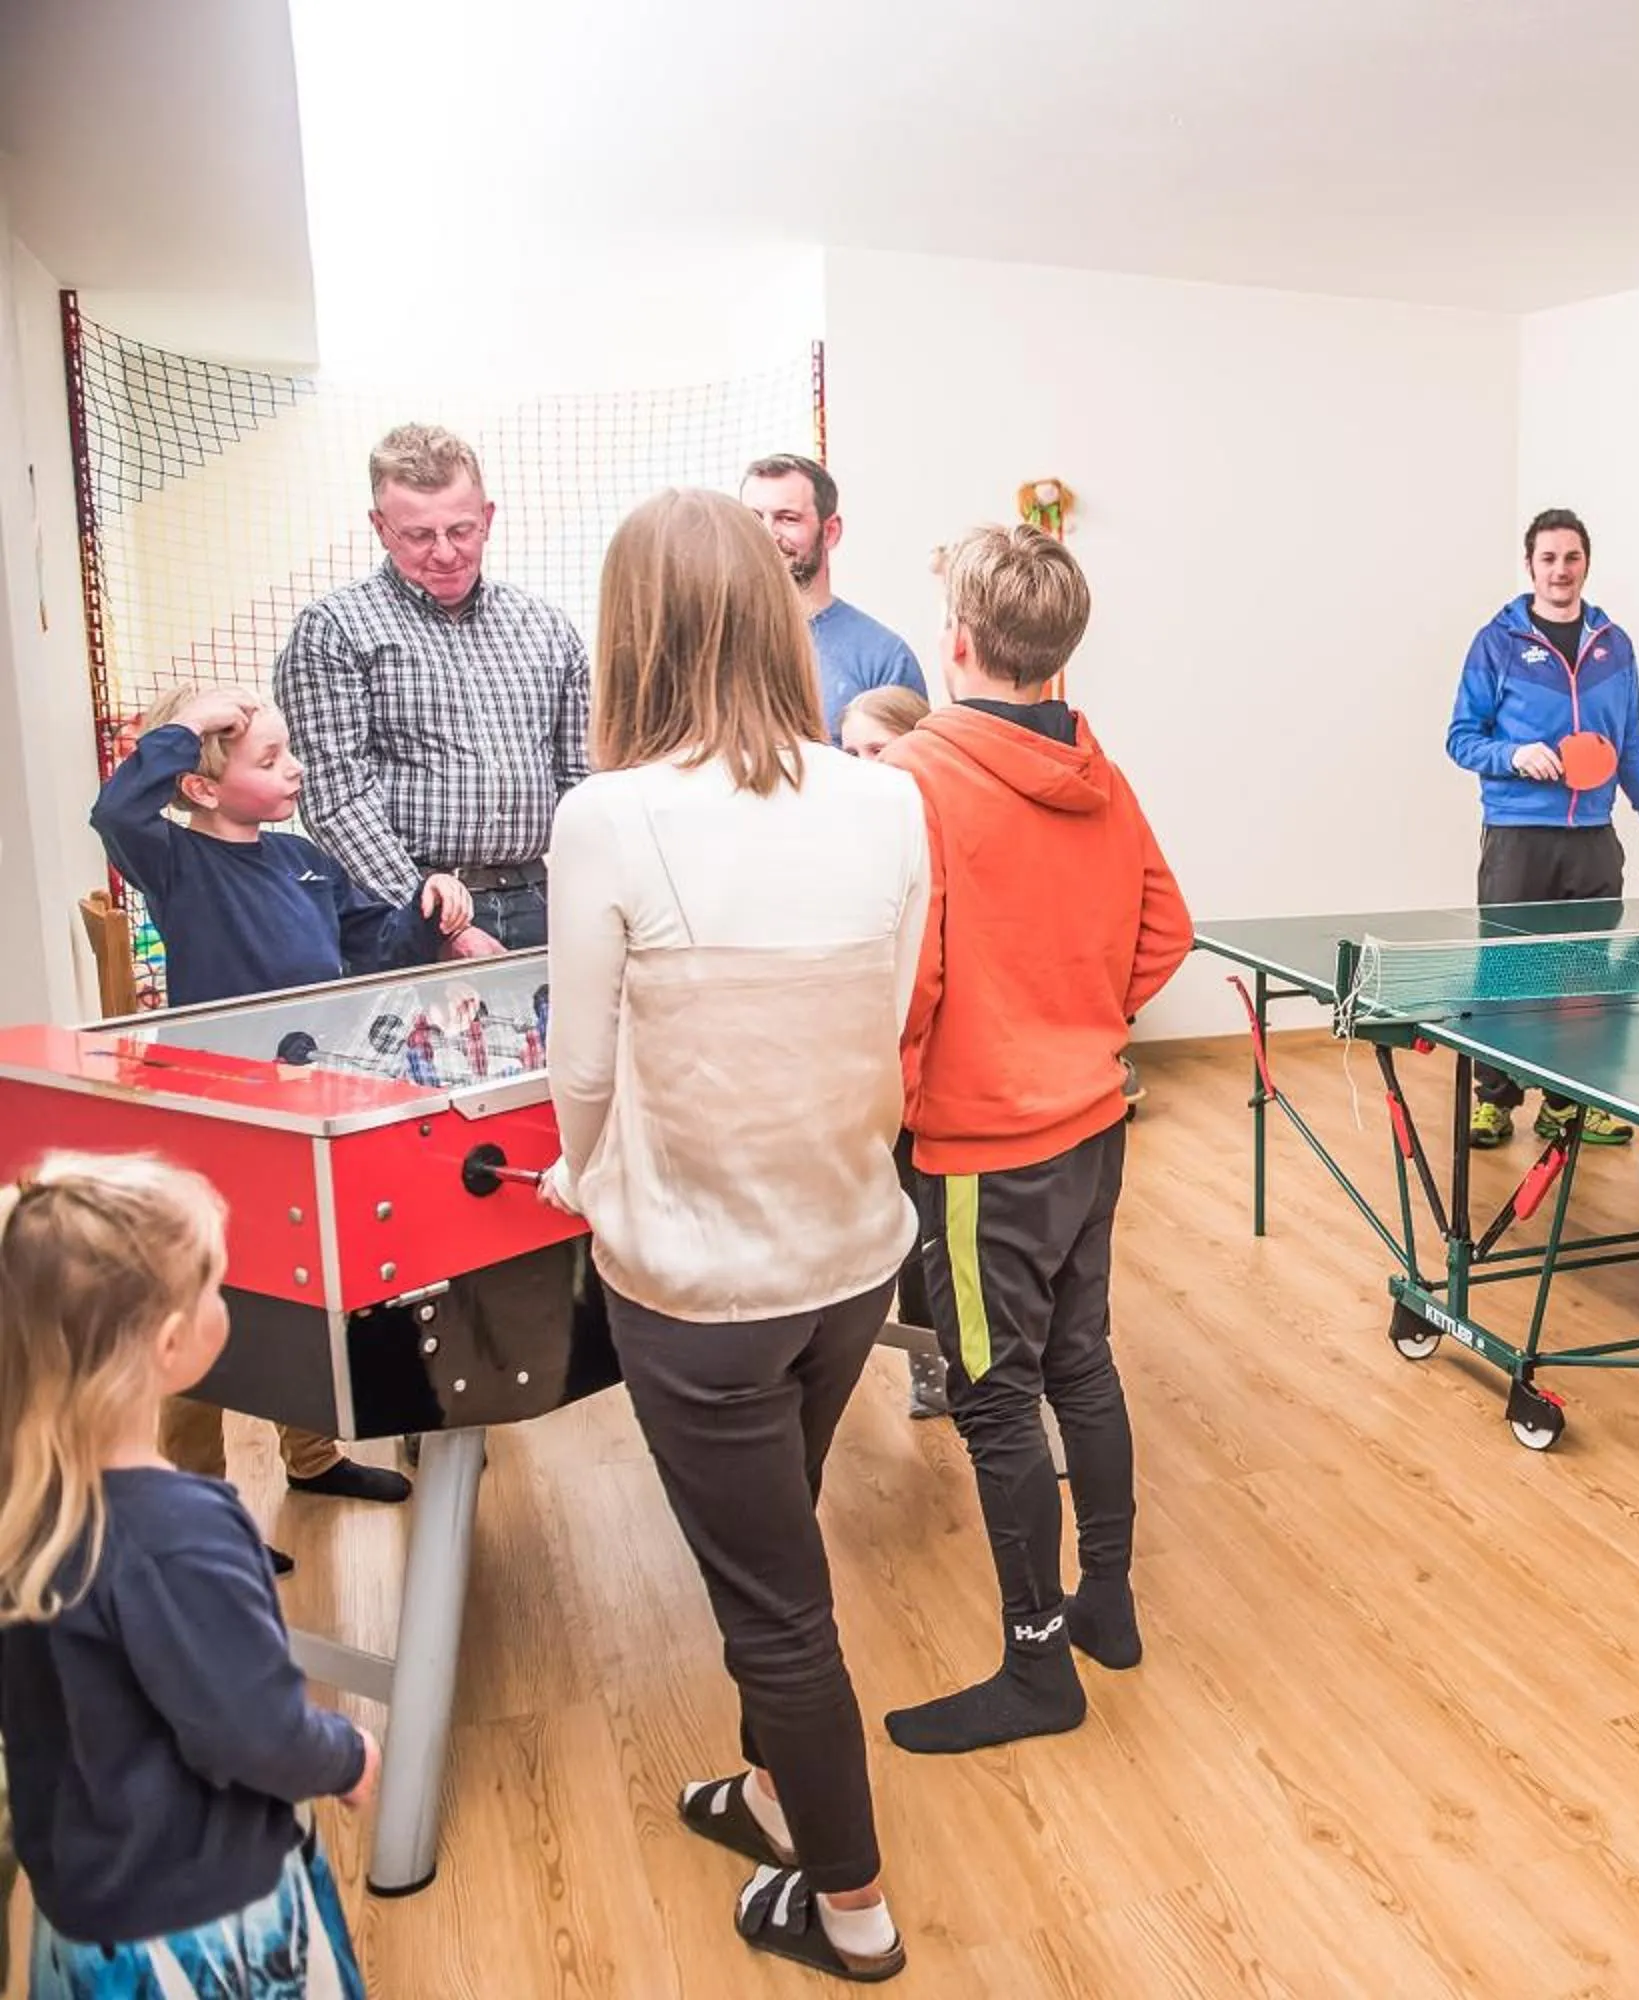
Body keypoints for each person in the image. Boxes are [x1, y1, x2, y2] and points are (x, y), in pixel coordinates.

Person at [538, 488, 926, 1980]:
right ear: (776, 620)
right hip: (846, 1261)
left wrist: (587, 1175)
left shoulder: (608, 815)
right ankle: (773, 1790)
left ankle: (852, 1910)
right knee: (778, 1546)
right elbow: (884, 1020)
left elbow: (580, 1074)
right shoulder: (889, 796)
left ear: (630, 638)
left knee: (772, 1601)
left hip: (698, 1291)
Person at [881, 523, 1191, 1756]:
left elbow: (905, 981)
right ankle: (1105, 1603)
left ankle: (1035, 1665)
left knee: (993, 1397)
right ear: (1059, 654)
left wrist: (903, 1099)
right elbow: (1166, 931)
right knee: (1083, 1362)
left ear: (957, 640)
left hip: (974, 1152)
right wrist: (1081, 1019)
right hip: (1091, 1124)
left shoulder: (914, 777)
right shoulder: (1100, 771)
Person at [89, 683, 462, 1546]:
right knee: (207, 1297)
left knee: (308, 1283)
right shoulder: (176, 863)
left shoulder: (306, 860)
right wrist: (185, 730)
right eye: (269, 759)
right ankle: (200, 1505)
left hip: (306, 1117)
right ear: (201, 785)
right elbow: (117, 812)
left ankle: (313, 1457)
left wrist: (430, 908)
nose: (295, 768)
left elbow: (375, 943)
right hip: (219, 1128)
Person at [0, 1152, 374, 1998]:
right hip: (204, 1932)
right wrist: (346, 1755)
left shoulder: (25, 1506)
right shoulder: (185, 1533)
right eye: (214, 1286)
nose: (225, 1302)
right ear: (172, 1343)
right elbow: (252, 1733)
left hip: (80, 1915)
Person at [274, 423, 591, 954]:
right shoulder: (335, 629)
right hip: (403, 909)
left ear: (487, 518)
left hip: (541, 899)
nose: (445, 553)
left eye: (461, 530)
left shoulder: (546, 627)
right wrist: (434, 919)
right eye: (419, 536)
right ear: (380, 527)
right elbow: (335, 796)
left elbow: (580, 781)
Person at [1445, 507, 1639, 1149]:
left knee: (1586, 974)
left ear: (1586, 564)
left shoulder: (1614, 645)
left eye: (1571, 558)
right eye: (1548, 558)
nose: (1560, 570)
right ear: (1530, 565)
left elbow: (1628, 744)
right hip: (1519, 833)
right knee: (1508, 972)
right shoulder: (1498, 643)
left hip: (1593, 836)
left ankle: (1574, 1103)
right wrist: (1513, 756)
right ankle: (1495, 1099)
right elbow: (1461, 738)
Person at [833, 683, 959, 1422]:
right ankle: (914, 1359)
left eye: (879, 751)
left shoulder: (938, 833)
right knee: (892, 1224)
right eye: (850, 754)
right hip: (868, 1070)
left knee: (933, 1229)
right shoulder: (841, 843)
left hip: (933, 1072)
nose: (864, 768)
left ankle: (940, 1366)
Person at [742, 454, 931, 744]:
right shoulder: (715, 646)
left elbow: (907, 779)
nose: (767, 534)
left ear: (830, 532)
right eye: (753, 519)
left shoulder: (884, 658)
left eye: (787, 518)